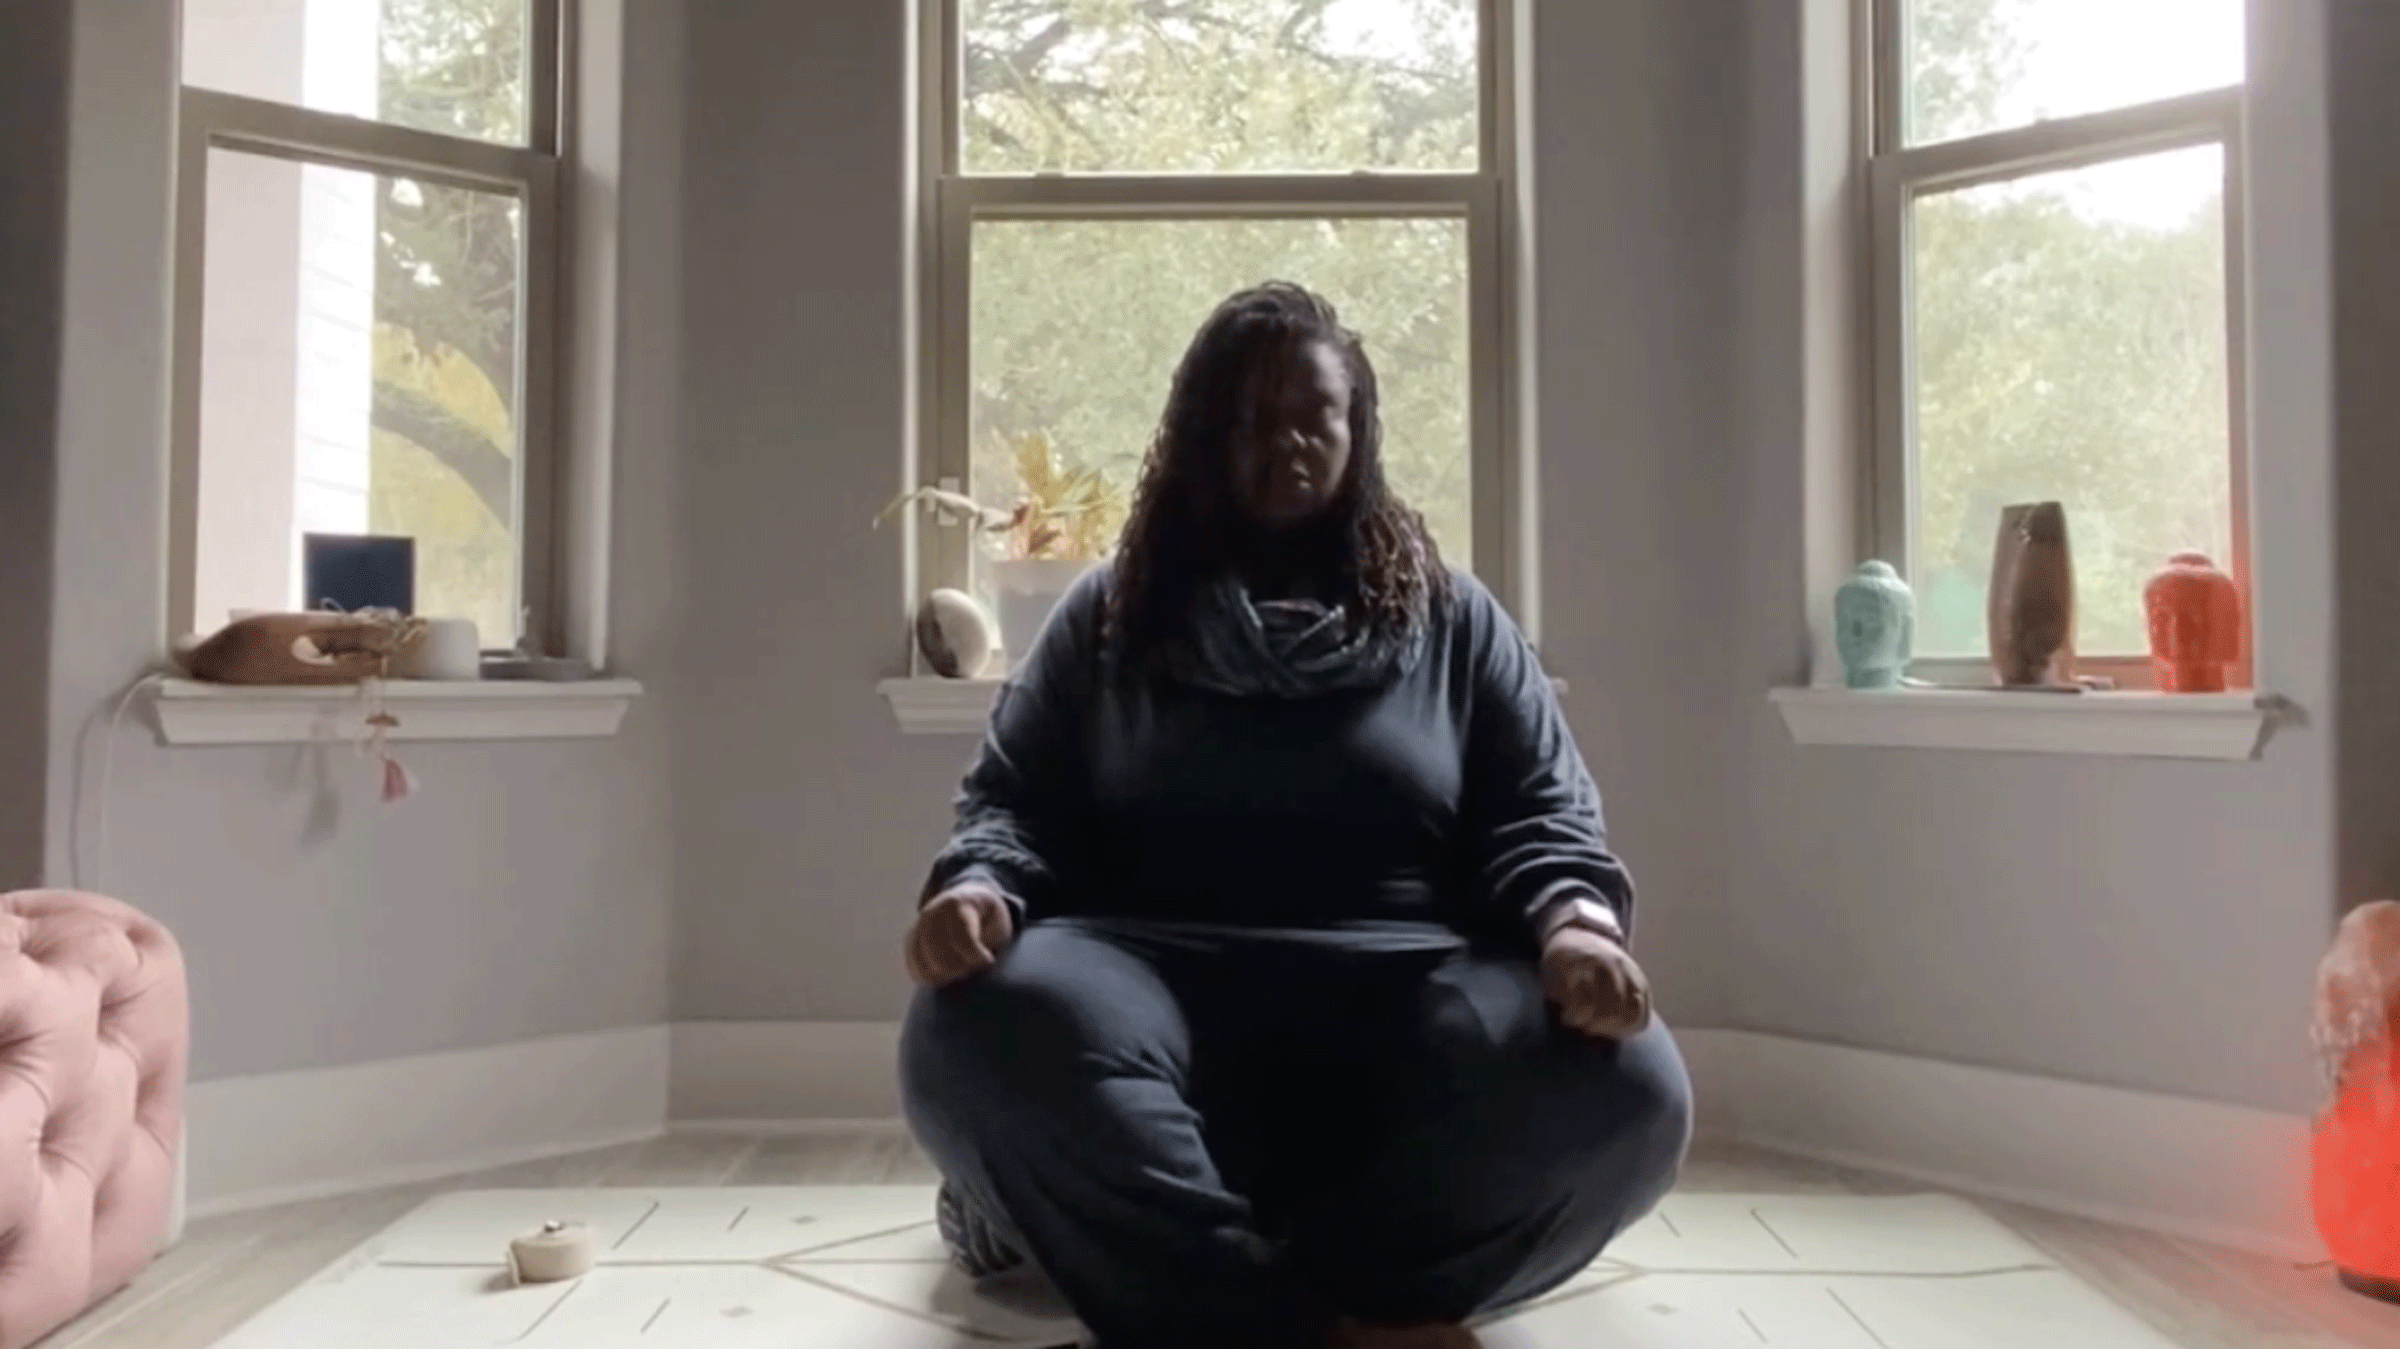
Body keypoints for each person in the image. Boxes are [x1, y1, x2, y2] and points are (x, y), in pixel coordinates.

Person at [899, 282, 1690, 1349]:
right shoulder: (1110, 611)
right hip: (1143, 971)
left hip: (1407, 986)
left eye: (1316, 413)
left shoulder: (1456, 616)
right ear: (1201, 439)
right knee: (968, 1030)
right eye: (1252, 420)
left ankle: (1188, 1276)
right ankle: (1322, 1326)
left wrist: (1576, 928)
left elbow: (1543, 813)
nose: (1288, 443)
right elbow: (1014, 802)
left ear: (1359, 428)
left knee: (1632, 1087)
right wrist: (979, 889)